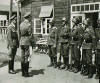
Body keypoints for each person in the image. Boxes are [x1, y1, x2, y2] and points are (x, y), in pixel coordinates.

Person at [20, 12, 32, 77]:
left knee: (22, 57)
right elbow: (30, 34)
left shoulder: (21, 24)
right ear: (28, 17)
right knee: (26, 57)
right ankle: (26, 73)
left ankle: (22, 73)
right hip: (27, 42)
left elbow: (20, 33)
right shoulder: (29, 25)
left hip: (21, 41)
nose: (30, 18)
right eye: (30, 17)